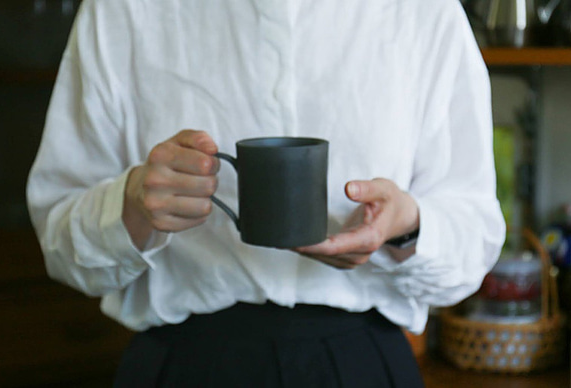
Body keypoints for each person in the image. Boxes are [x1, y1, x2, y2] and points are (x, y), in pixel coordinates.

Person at [26, 0, 506, 386]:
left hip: (361, 361)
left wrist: (405, 229)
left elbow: (474, 236)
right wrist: (131, 204)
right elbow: (59, 238)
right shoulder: (124, 10)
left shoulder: (424, 12)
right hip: (182, 362)